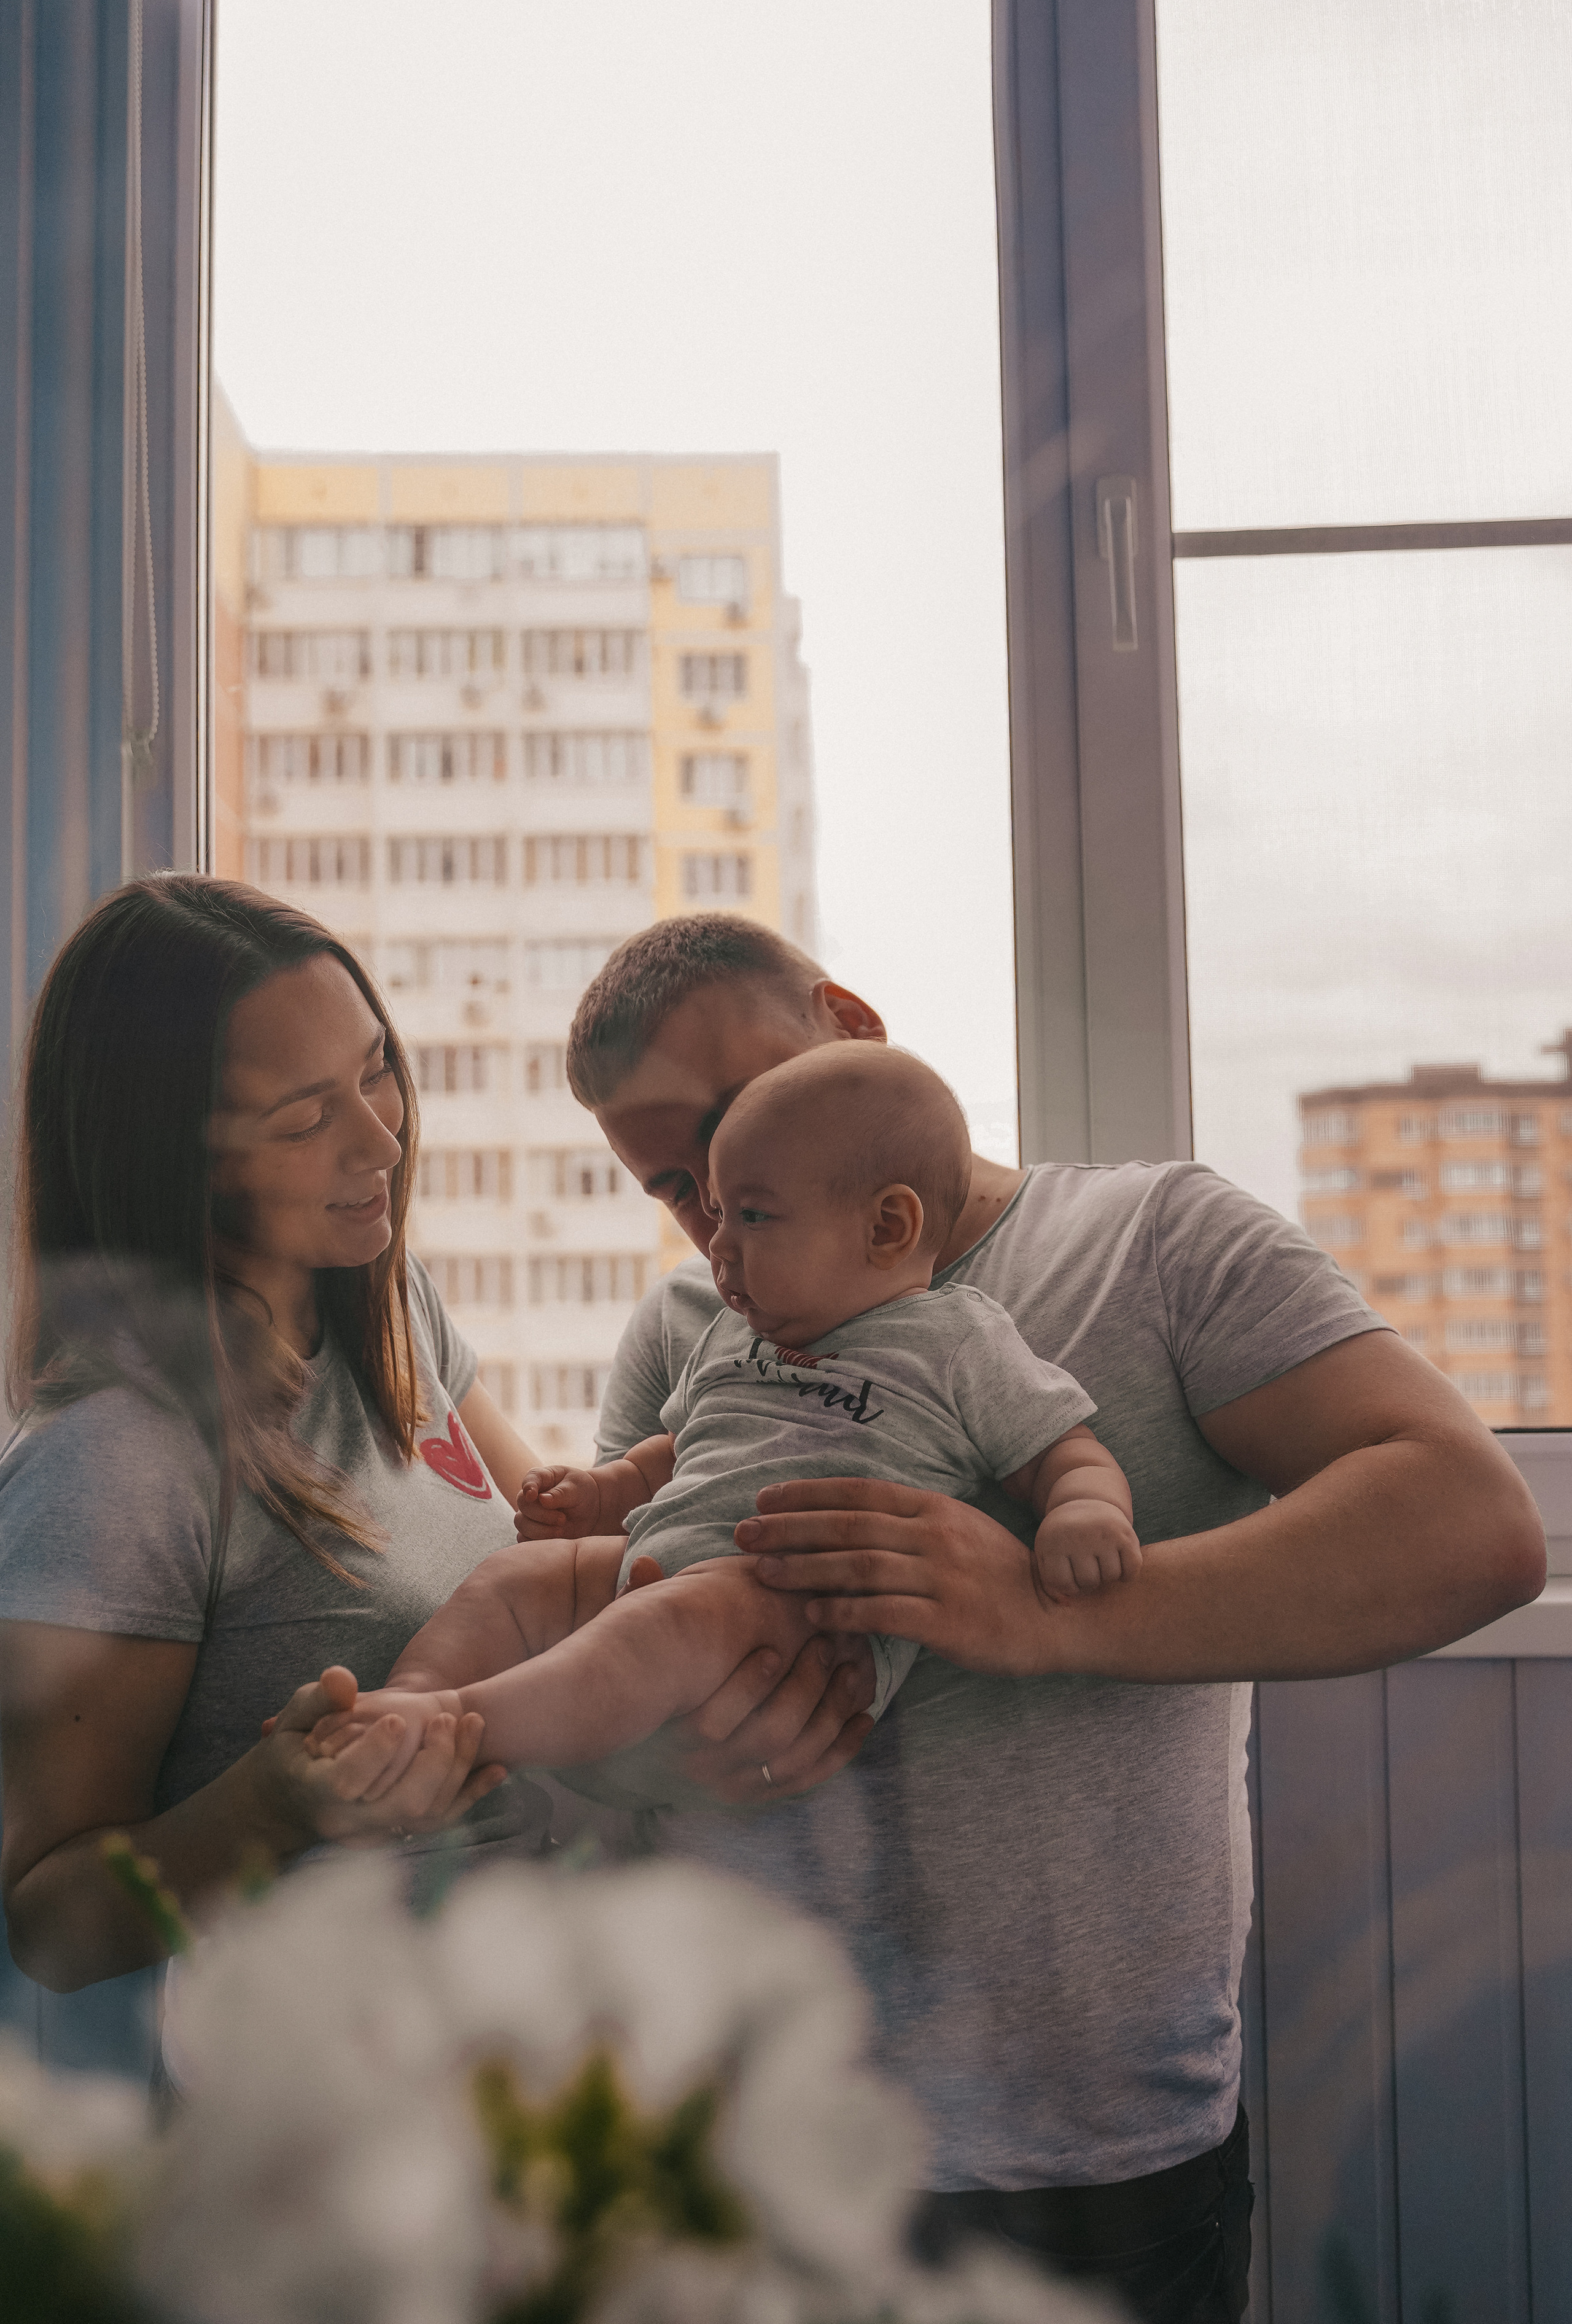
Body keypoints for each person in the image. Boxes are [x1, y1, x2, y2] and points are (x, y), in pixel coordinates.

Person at [556, 911, 1545, 2324]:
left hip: (1085, 2159)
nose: (718, 1214)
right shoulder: (685, 1331)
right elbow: (616, 1682)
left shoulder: (1151, 1241)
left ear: (850, 1026)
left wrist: (1045, 1614)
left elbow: (1469, 1524)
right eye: (674, 1185)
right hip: (749, 2147)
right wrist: (651, 1755)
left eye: (735, 1120)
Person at [0, 879, 854, 1996]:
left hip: (518, 2037)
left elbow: (547, 1574)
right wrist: (276, 1808)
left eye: (377, 1071)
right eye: (304, 1120)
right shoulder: (112, 1461)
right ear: (172, 1162)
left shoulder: (389, 1315)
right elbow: (54, 1927)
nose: (381, 1141)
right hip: (332, 2075)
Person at [306, 1043, 1129, 1798]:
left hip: (797, 1603)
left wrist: (1086, 1511)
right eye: (716, 1211)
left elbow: (1061, 1450)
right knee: (513, 1579)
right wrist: (604, 1492)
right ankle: (402, 1702)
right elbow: (680, 1450)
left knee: (663, 1625)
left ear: (887, 1228)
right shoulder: (737, 1332)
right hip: (666, 1559)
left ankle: (458, 1727)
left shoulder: (957, 1340)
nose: (718, 1247)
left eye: (755, 1217)